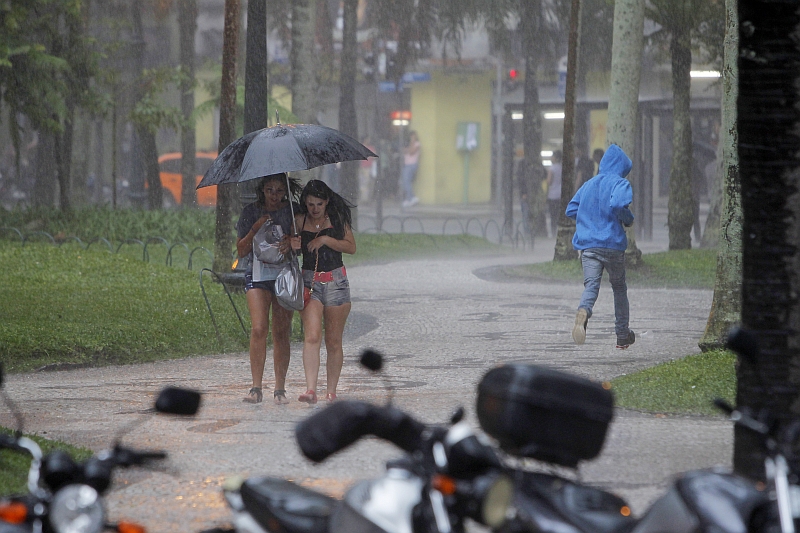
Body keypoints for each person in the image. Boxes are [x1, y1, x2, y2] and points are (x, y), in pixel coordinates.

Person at [236, 173, 302, 404]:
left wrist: (292, 242)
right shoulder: (250, 211)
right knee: (258, 328)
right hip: (258, 274)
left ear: (285, 192)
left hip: (284, 274)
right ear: (262, 190)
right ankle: (256, 387)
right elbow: (241, 250)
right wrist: (255, 228)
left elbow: (300, 243)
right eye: (270, 190)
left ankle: (280, 389)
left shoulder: (292, 211)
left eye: (279, 191)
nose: (274, 196)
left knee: (281, 331)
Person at [290, 179, 356, 404]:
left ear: (326, 202)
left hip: (336, 281)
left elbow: (351, 247)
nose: (314, 209)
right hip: (310, 284)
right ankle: (310, 389)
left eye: (319, 204)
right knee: (312, 336)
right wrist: (292, 245)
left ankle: (331, 391)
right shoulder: (299, 221)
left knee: (334, 341)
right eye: (310, 204)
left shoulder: (336, 219)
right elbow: (288, 248)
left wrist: (326, 239)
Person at [566, 144, 636, 350]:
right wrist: (628, 219)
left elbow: (571, 209)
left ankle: (584, 310)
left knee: (591, 286)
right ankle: (622, 334)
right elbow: (618, 205)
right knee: (619, 288)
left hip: (588, 246)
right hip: (612, 245)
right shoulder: (620, 183)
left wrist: (587, 217)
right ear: (622, 167)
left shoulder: (589, 184)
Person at [401, 131, 421, 208]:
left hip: (412, 165)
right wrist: (407, 149)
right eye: (411, 136)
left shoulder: (417, 144)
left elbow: (412, 152)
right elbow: (403, 150)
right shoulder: (408, 144)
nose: (412, 138)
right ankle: (408, 198)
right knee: (405, 182)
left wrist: (409, 147)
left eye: (414, 136)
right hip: (407, 164)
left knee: (407, 181)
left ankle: (412, 197)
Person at [546, 150, 563, 238]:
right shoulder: (562, 167)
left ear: (556, 158)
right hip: (560, 194)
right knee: (559, 214)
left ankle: (553, 232)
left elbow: (549, 181)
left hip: (552, 194)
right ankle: (559, 231)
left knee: (553, 215)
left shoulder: (552, 168)